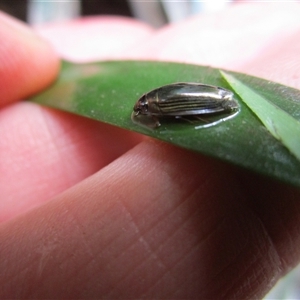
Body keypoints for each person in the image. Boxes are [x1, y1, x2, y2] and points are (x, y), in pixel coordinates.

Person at [1, 2, 300, 298]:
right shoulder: (154, 101)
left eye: (142, 107)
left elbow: (179, 109)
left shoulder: (158, 103)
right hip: (213, 97)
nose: (141, 109)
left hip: (213, 100)